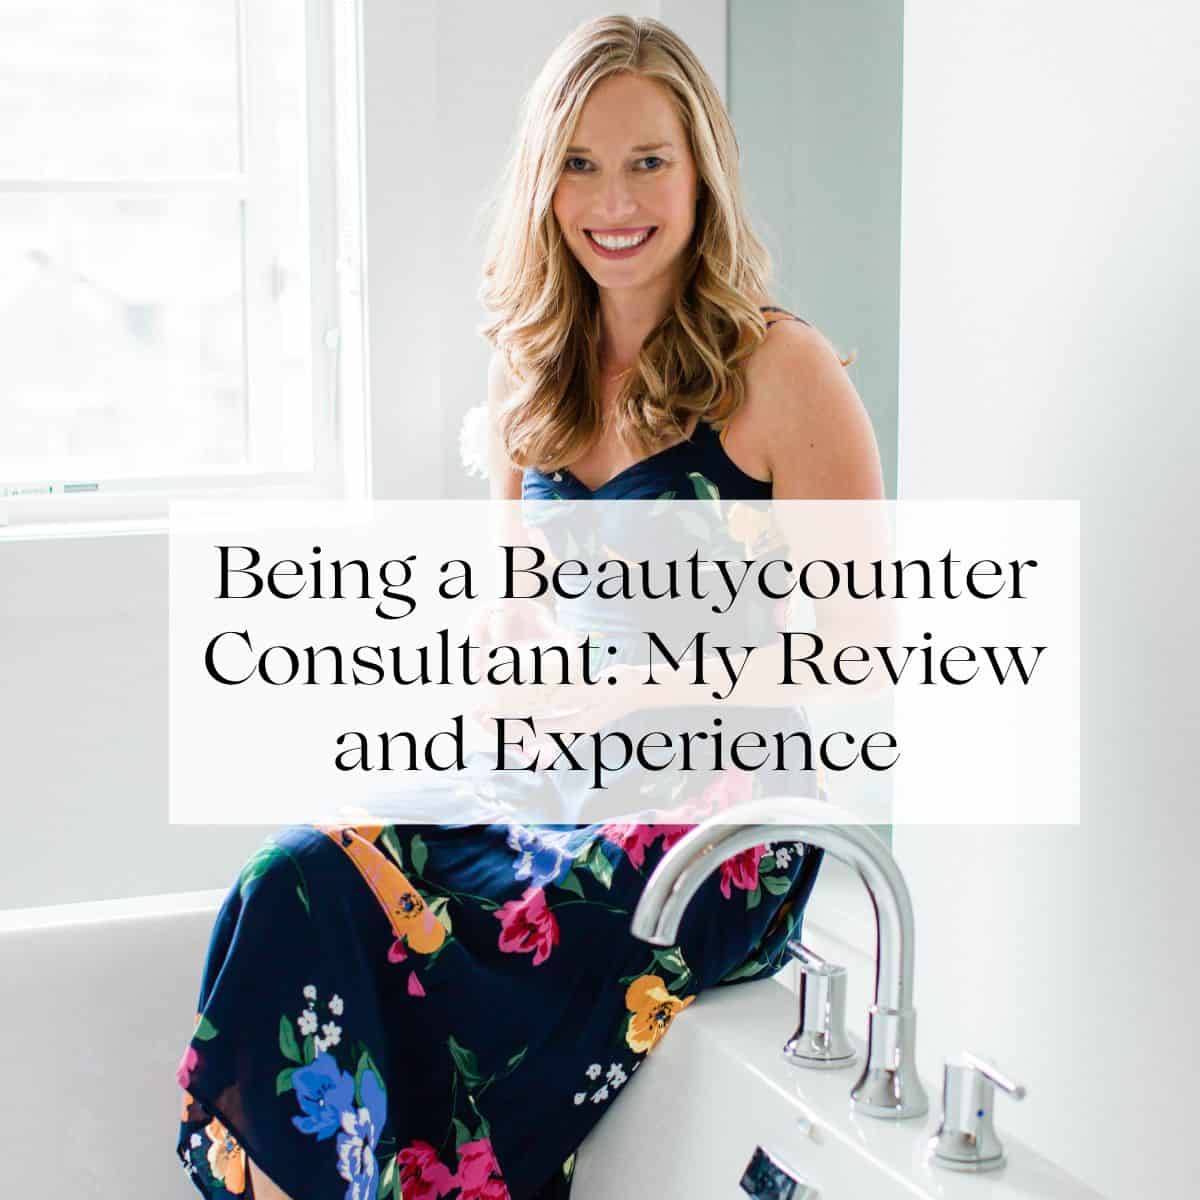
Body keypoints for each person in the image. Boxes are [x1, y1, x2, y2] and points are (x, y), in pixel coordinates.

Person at [174, 15, 884, 1200]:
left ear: (702, 168)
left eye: (649, 160)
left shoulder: (780, 370)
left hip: (721, 825)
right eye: (581, 163)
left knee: (492, 929)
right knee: (296, 874)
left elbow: (859, 657)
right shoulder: (530, 373)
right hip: (554, 782)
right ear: (543, 180)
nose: (616, 198)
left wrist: (625, 695)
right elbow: (513, 627)